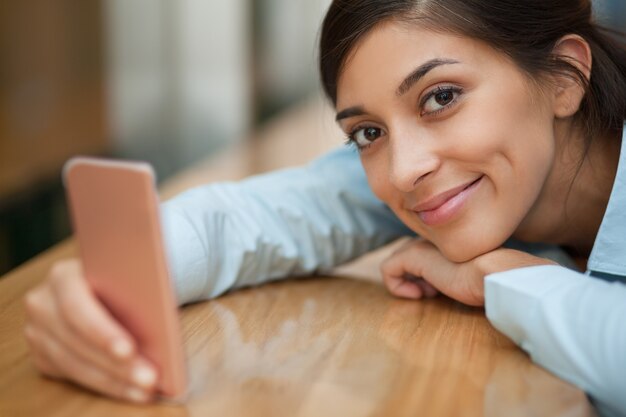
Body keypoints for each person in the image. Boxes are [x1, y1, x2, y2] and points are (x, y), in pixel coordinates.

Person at [23, 0, 626, 414]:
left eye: (440, 97)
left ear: (565, 77)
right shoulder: (432, 175)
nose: (402, 170)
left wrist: (508, 280)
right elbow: (266, 217)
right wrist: (107, 282)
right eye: (367, 132)